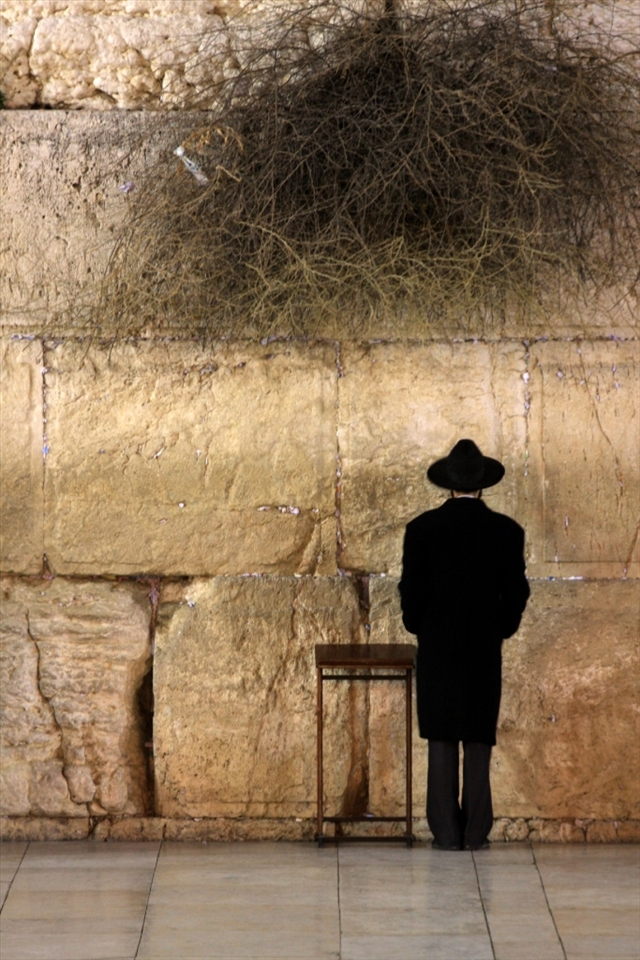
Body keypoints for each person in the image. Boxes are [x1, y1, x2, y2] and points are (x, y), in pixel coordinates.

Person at [398, 439, 530, 851]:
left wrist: (421, 626)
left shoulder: (421, 530)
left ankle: (445, 832)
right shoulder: (507, 532)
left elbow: (411, 591)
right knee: (477, 736)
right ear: (482, 484)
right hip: (482, 648)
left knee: (440, 737)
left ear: (449, 485)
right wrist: (500, 628)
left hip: (437, 647)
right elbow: (517, 592)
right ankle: (475, 832)